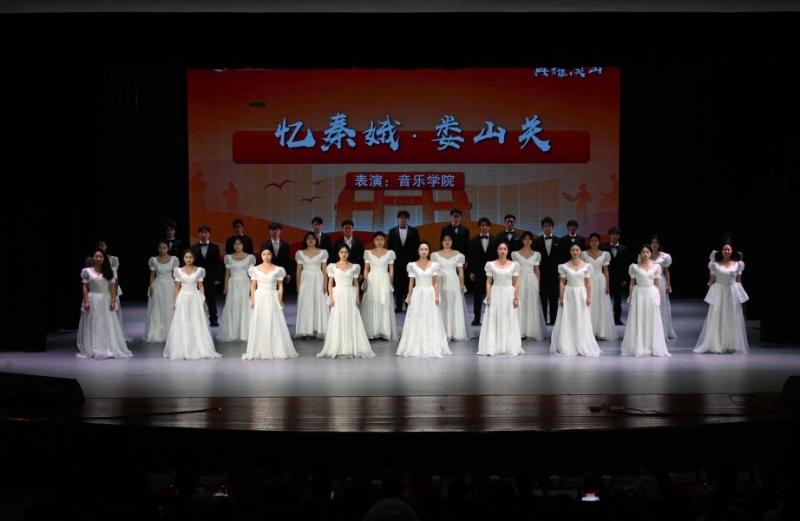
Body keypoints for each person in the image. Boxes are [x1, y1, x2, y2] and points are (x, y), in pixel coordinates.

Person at [317, 244, 375, 358]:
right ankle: (338, 346)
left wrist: (357, 297)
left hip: (350, 294)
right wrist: (331, 297)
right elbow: (330, 283)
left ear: (349, 253)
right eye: (341, 252)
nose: (344, 254)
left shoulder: (354, 267)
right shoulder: (333, 267)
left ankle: (351, 346)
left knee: (351, 318)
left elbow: (356, 283)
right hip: (338, 294)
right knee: (338, 318)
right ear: (338, 253)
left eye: (346, 252)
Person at [164, 250, 222, 360]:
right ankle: (183, 348)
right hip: (183, 297)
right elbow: (177, 287)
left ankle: (198, 347)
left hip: (195, 297)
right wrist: (176, 301)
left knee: (196, 320)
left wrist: (203, 300)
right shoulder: (178, 271)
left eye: (190, 257)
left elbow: (201, 286)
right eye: (186, 257)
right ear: (183, 258)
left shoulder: (199, 270)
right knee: (183, 320)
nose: (188, 259)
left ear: (194, 258)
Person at [396, 241, 451, 358]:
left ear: (429, 251)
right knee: (417, 318)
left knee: (430, 318)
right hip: (417, 293)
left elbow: (435, 282)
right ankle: (417, 345)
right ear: (418, 251)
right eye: (421, 249)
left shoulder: (434, 265)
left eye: (426, 249)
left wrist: (437, 295)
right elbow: (411, 282)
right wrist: (409, 295)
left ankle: (431, 345)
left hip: (430, 293)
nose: (424, 251)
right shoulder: (412, 265)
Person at [242, 249, 298, 360]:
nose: (266, 256)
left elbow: (280, 285)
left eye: (268, 254)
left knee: (274, 321)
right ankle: (259, 348)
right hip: (260, 297)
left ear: (272, 255)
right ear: (261, 255)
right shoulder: (255, 269)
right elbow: (253, 285)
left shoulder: (278, 270)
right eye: (264, 254)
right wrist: (252, 299)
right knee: (260, 320)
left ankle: (276, 348)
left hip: (272, 296)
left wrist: (280, 299)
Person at [693, 243, 749, 354]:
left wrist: (740, 296)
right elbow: (712, 281)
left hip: (732, 293)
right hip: (719, 292)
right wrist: (711, 296)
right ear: (721, 251)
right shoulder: (715, 264)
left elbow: (738, 281)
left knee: (732, 317)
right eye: (724, 250)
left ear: (732, 251)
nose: (727, 252)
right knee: (717, 316)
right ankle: (717, 344)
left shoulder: (738, 264)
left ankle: (732, 344)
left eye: (728, 250)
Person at [77, 250, 132, 360]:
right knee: (93, 323)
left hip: (105, 299)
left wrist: (113, 300)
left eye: (100, 257)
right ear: (93, 258)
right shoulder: (87, 271)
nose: (98, 259)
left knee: (107, 322)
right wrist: (86, 301)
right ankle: (94, 349)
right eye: (96, 256)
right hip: (93, 299)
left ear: (104, 258)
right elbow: (85, 287)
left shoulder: (110, 271)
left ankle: (108, 348)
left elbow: (112, 287)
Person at [550, 244, 602, 357]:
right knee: (568, 317)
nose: (575, 252)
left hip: (581, 293)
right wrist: (561, 297)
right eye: (573, 250)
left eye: (577, 250)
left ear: (580, 251)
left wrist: (589, 297)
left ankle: (581, 343)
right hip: (569, 293)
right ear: (570, 251)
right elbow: (562, 282)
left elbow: (588, 282)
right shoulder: (564, 266)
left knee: (581, 317)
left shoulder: (586, 266)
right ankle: (568, 343)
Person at [621, 244, 671, 357]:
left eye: (647, 252)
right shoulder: (634, 267)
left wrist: (657, 298)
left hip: (651, 293)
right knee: (639, 318)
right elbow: (632, 283)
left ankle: (650, 345)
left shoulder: (656, 267)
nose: (645, 254)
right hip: (639, 293)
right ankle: (639, 345)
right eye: (643, 252)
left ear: (650, 253)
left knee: (650, 318)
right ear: (640, 253)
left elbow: (657, 284)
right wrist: (631, 296)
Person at [477, 243, 523, 356]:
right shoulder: (491, 265)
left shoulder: (514, 265)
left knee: (509, 318)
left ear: (508, 251)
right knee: (494, 318)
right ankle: (493, 346)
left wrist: (516, 298)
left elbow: (516, 282)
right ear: (497, 250)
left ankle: (508, 346)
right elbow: (488, 282)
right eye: (500, 249)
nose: (502, 251)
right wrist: (488, 297)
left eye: (505, 249)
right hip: (496, 293)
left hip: (509, 294)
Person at [85, 239, 131, 341]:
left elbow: (115, 276)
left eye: (102, 245)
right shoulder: (91, 259)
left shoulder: (113, 259)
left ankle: (114, 335)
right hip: (97, 289)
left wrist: (115, 289)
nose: (100, 247)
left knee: (113, 311)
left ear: (106, 246)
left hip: (110, 287)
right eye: (98, 245)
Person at [431, 233, 474, 341]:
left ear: (452, 241)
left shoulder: (458, 255)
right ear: (441, 242)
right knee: (442, 305)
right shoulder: (435, 255)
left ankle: (455, 332)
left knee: (454, 305)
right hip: (441, 282)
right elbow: (433, 272)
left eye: (449, 240)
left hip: (454, 282)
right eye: (445, 240)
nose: (447, 242)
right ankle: (443, 332)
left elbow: (460, 271)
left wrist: (461, 284)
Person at [217, 238, 256, 342]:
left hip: (245, 283)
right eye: (235, 244)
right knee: (233, 306)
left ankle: (245, 333)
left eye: (239, 244)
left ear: (243, 245)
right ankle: (233, 333)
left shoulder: (250, 258)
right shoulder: (228, 257)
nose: (237, 246)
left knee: (245, 306)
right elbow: (227, 273)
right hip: (233, 284)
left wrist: (253, 288)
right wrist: (225, 287)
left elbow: (252, 275)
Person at [581, 233, 618, 340]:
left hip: (600, 280)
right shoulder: (584, 254)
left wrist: (607, 286)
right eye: (592, 241)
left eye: (596, 241)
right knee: (589, 304)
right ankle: (589, 331)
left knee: (600, 305)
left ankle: (600, 331)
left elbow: (606, 271)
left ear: (599, 242)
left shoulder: (604, 254)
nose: (594, 243)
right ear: (589, 242)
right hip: (588, 280)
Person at [361, 232, 398, 341]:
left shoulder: (390, 253)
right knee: (371, 303)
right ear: (374, 241)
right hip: (372, 279)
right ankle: (371, 331)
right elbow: (366, 268)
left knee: (384, 302)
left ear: (385, 241)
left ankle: (384, 331)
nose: (379, 241)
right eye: (377, 239)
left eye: (382, 239)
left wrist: (390, 282)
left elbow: (391, 269)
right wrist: (365, 281)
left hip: (384, 279)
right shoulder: (368, 253)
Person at [511, 231, 547, 340]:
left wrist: (538, 284)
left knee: (531, 304)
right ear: (522, 240)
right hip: (520, 279)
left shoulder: (536, 254)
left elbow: (537, 270)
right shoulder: (516, 254)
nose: (527, 241)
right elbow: (514, 270)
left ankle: (531, 331)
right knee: (520, 303)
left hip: (532, 280)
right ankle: (520, 331)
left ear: (532, 241)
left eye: (529, 239)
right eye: (525, 239)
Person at [294, 231, 329, 340]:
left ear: (316, 240)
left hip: (318, 278)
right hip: (306, 279)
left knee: (319, 303)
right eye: (308, 238)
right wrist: (298, 284)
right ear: (305, 240)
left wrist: (325, 284)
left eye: (312, 238)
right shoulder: (300, 253)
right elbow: (298, 270)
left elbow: (324, 269)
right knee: (306, 304)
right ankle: (306, 331)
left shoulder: (322, 252)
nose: (310, 240)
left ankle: (320, 330)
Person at [143, 241, 180, 343]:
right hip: (158, 285)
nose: (162, 250)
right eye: (160, 248)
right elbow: (152, 275)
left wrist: (178, 287)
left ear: (168, 248)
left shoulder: (174, 259)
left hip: (169, 285)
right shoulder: (154, 260)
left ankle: (170, 333)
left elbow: (176, 275)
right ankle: (157, 332)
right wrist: (151, 287)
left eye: (164, 248)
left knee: (169, 308)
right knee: (157, 308)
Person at [644, 235, 676, 340]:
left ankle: (662, 332)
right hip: (648, 282)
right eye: (652, 243)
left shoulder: (664, 256)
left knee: (661, 305)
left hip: (661, 281)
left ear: (659, 244)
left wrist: (668, 285)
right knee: (649, 305)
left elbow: (667, 272)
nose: (654, 245)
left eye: (656, 243)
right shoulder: (645, 254)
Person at [468, 217, 499, 325]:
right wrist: (471, 271)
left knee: (492, 295)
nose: (484, 227)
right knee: (477, 296)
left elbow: (497, 257)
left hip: (492, 272)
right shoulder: (473, 240)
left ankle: (492, 318)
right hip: (478, 272)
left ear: (489, 227)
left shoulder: (495, 240)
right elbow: (471, 257)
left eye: (486, 225)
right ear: (479, 227)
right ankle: (477, 318)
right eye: (482, 225)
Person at [190, 225, 223, 327]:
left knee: (211, 300)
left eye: (206, 232)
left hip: (211, 278)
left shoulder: (215, 247)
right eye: (201, 232)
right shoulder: (193, 247)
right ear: (199, 234)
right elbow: (191, 263)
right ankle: (197, 320)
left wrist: (217, 277)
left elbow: (217, 263)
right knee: (197, 298)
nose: (204, 234)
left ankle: (213, 319)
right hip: (197, 278)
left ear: (209, 234)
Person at [388, 210, 421, 312]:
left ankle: (408, 305)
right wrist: (390, 262)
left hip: (410, 262)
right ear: (398, 219)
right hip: (397, 263)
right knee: (398, 285)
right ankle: (398, 306)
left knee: (409, 284)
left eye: (405, 218)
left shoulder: (414, 231)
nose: (403, 220)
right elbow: (390, 248)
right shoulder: (392, 231)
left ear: (408, 219)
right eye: (401, 218)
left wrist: (417, 262)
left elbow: (418, 247)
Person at [534, 216, 562, 325]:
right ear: (542, 227)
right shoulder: (537, 241)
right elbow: (535, 260)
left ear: (552, 227)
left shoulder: (559, 241)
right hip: (542, 275)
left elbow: (561, 258)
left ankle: (554, 320)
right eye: (545, 226)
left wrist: (560, 273)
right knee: (543, 298)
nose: (547, 228)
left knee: (554, 298)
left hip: (555, 275)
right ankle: (543, 320)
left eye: (549, 226)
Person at [600, 226, 629, 325]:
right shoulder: (604, 248)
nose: (615, 236)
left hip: (619, 278)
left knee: (618, 299)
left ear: (619, 236)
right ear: (609, 236)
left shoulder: (624, 248)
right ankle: (606, 318)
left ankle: (617, 317)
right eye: (613, 234)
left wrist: (625, 278)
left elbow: (625, 264)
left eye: (617, 234)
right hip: (606, 278)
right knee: (606, 298)